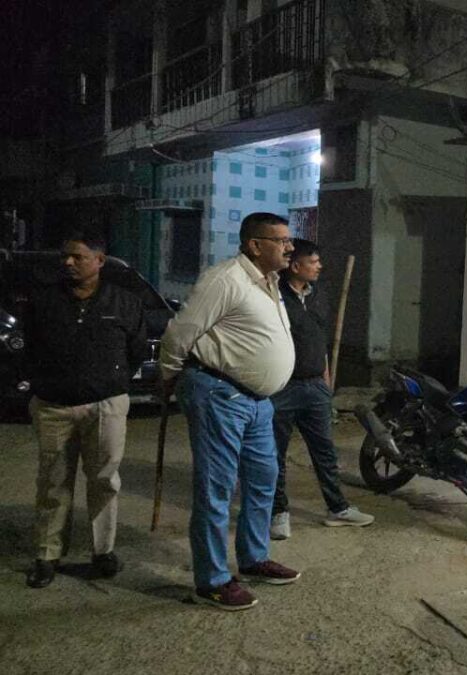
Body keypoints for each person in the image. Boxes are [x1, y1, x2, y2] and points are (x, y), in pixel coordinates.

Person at [159, 212, 301, 611]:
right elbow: (179, 333)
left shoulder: (270, 282)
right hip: (219, 393)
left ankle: (254, 558)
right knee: (216, 487)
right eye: (281, 240)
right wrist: (168, 377)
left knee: (263, 480)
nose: (290, 247)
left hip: (257, 401)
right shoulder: (225, 279)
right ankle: (212, 580)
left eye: (289, 240)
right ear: (255, 245)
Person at [23, 232, 147, 588]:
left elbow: (136, 350)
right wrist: (45, 383)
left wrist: (110, 381)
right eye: (66, 256)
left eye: (78, 257)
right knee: (53, 482)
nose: (68, 262)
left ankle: (102, 551)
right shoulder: (44, 300)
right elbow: (30, 348)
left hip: (105, 405)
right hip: (53, 406)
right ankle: (47, 555)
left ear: (99, 260)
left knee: (104, 479)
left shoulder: (124, 302)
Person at [268, 238, 373, 540]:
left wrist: (325, 377)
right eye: (313, 262)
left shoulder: (318, 294)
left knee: (325, 451)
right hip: (282, 387)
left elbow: (320, 337)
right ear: (295, 265)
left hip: (315, 386)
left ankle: (338, 508)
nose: (319, 267)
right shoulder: (273, 296)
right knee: (276, 454)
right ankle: (278, 512)